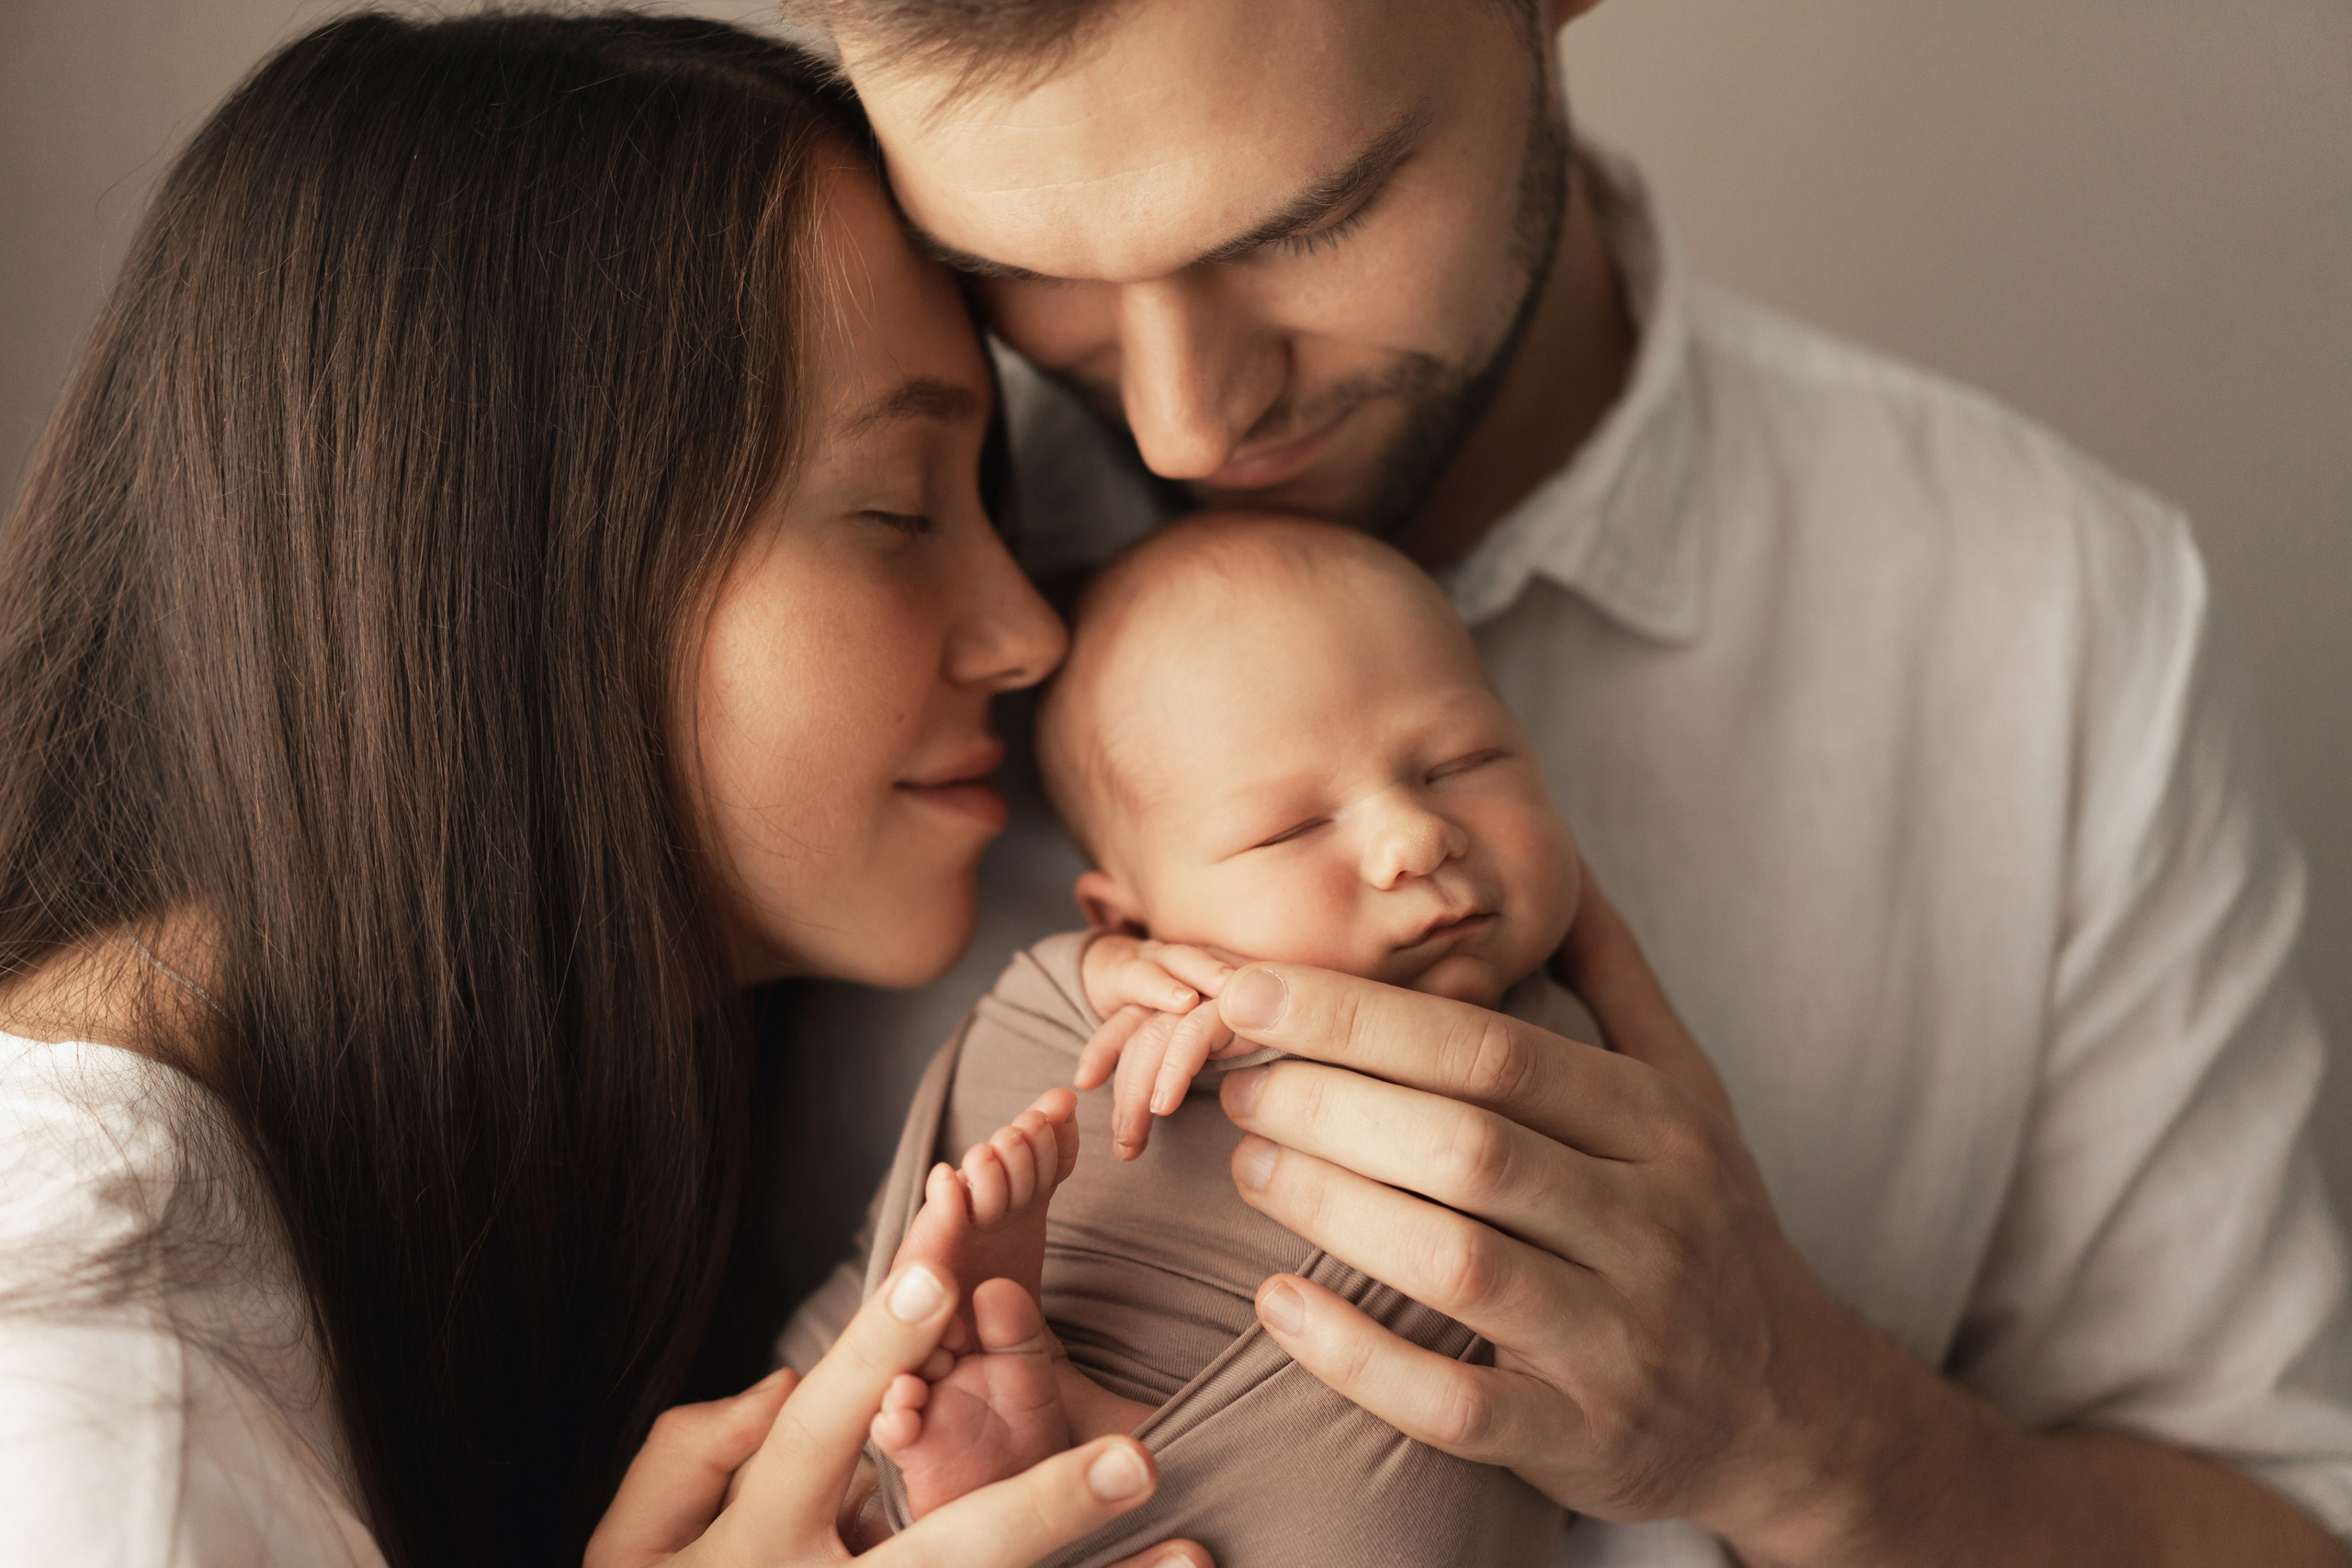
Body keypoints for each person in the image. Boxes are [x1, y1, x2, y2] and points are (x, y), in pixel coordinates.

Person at [776, 0, 2352, 1561]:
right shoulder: (772, 590)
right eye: (1022, 272)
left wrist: (1813, 1432)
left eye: (1309, 220)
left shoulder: (2056, 611)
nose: (1183, 424)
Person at [0, 12, 1211, 1568]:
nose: (1029, 630)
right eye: (898, 508)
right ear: (489, 574)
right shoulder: (100, 1436)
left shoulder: (426, 1200)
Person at [789, 516, 1595, 1564]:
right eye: (1292, 829)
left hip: (1330, 1498)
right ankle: (1043, 1422)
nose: (1414, 838)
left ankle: (1088, 1443)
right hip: (915, 1439)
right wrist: (1104, 986)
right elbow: (1022, 1035)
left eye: (1462, 762)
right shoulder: (1122, 1006)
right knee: (846, 1364)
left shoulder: (1583, 1043)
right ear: (1129, 928)